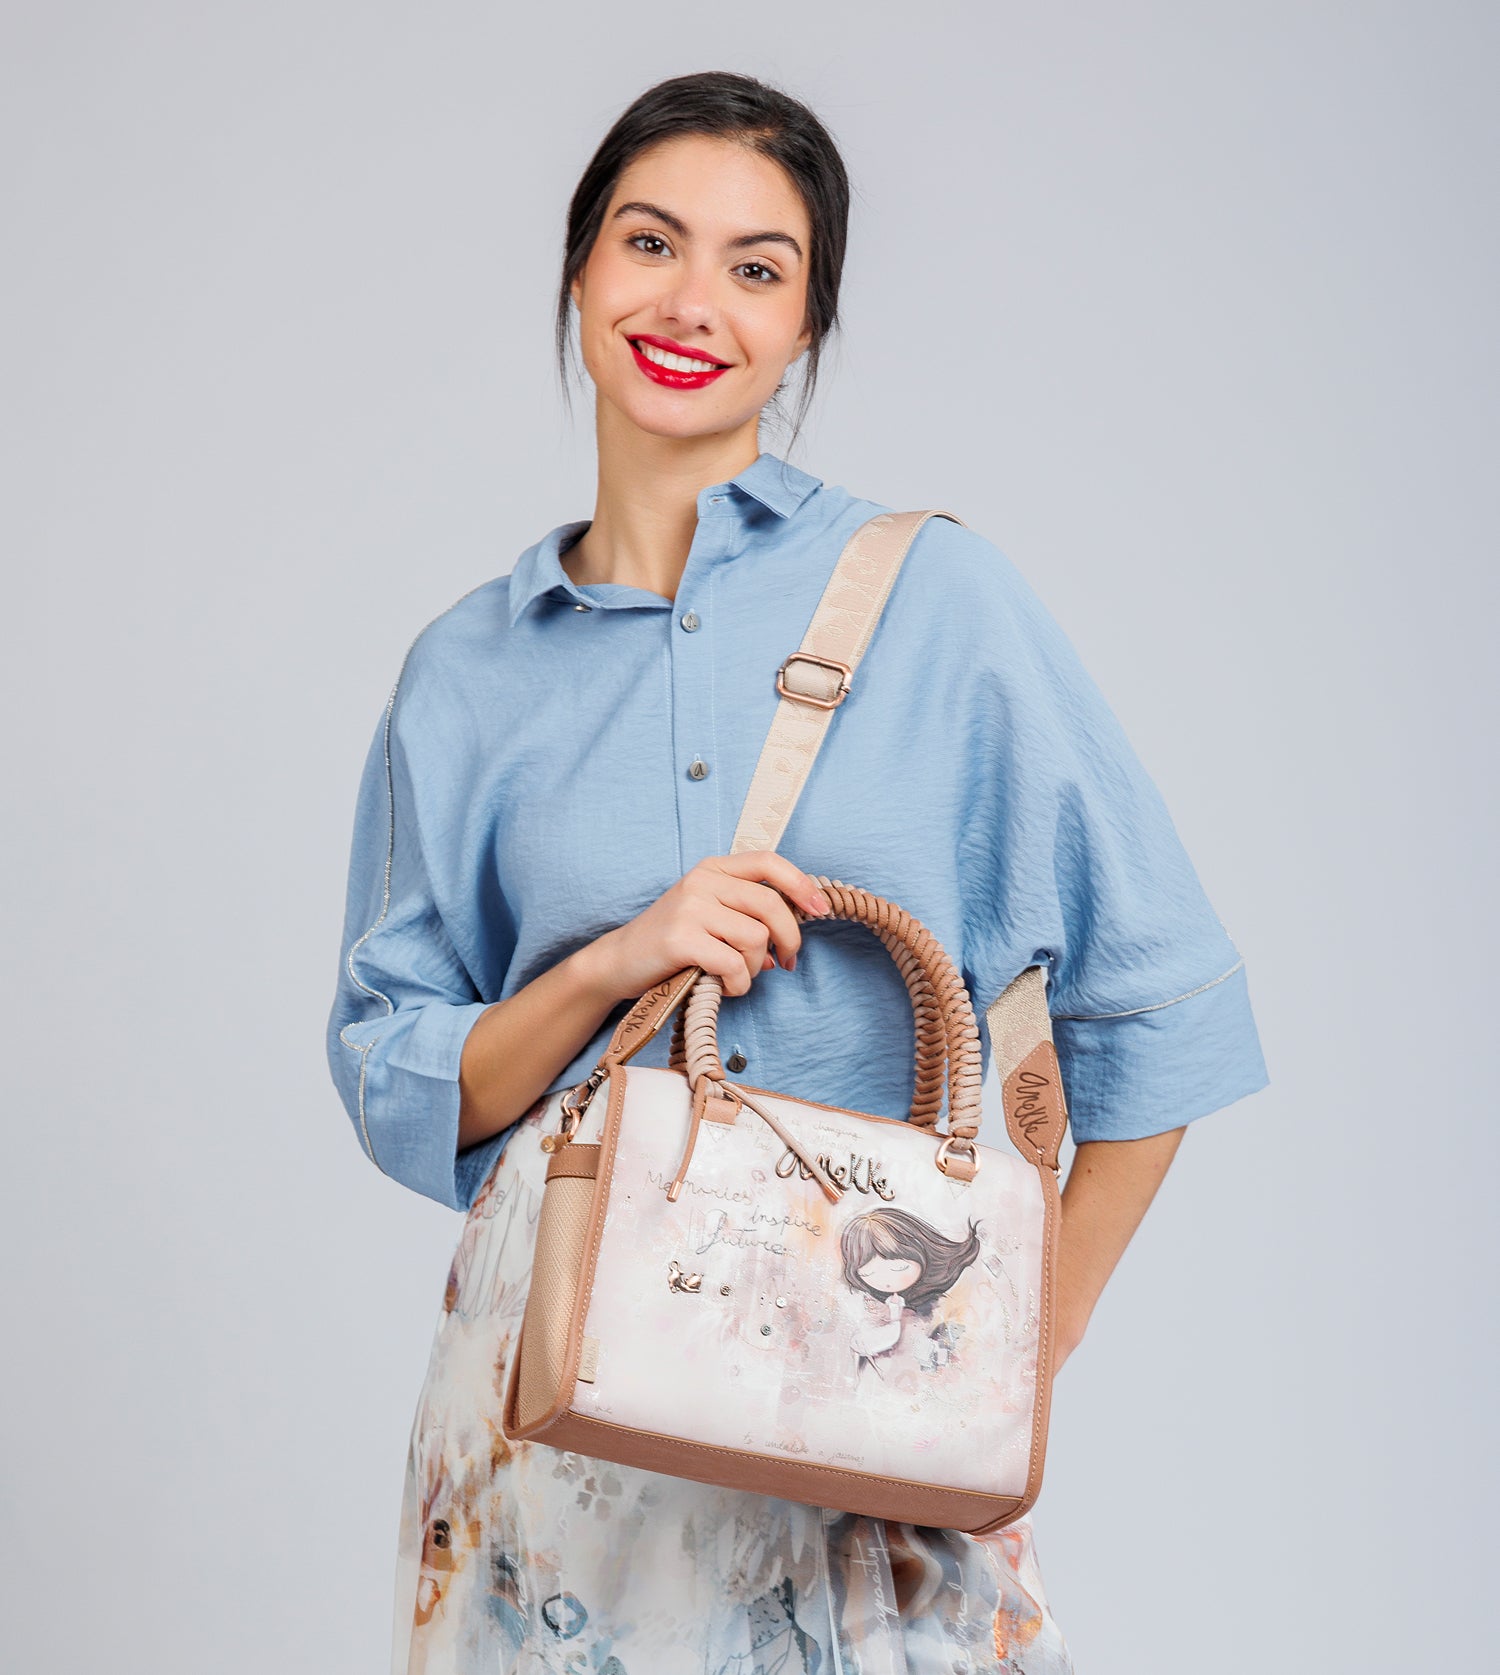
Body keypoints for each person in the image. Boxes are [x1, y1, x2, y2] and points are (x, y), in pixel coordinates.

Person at [325, 69, 1269, 1675]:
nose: (692, 302)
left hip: (864, 1432)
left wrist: (1011, 1358)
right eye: (650, 243)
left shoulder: (939, 600)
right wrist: (610, 964)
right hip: (560, 1448)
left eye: (756, 267)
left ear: (808, 322)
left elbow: (1163, 1006)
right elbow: (401, 1072)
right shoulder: (465, 674)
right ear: (580, 268)